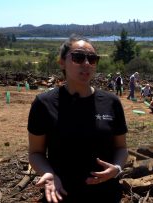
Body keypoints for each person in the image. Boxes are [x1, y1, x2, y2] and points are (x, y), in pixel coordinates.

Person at [28, 35, 128, 203]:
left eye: (92, 59)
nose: (87, 64)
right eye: (78, 57)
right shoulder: (44, 103)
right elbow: (36, 153)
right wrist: (49, 174)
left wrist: (117, 168)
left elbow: (121, 148)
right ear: (62, 62)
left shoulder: (112, 102)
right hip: (61, 194)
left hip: (106, 195)